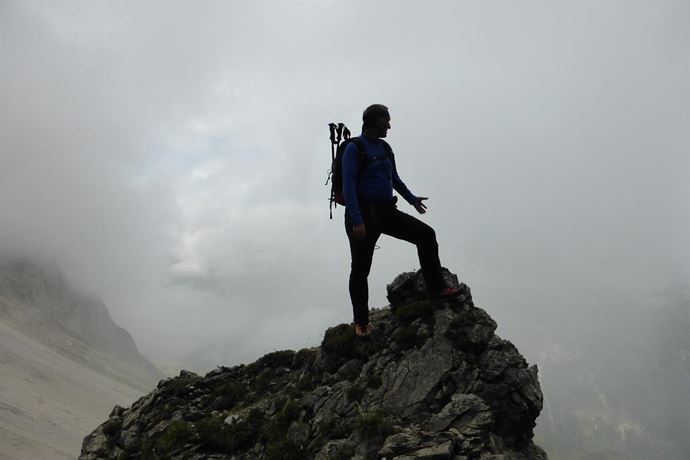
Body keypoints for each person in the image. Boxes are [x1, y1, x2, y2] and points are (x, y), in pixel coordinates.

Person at [343, 104, 460, 337]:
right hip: (362, 217)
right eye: (386, 120)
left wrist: (411, 199)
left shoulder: (385, 147)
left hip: (386, 212)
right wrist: (357, 221)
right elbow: (348, 187)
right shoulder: (355, 149)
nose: (389, 125)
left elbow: (393, 178)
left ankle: (436, 289)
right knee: (360, 269)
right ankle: (362, 322)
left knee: (426, 235)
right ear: (375, 121)